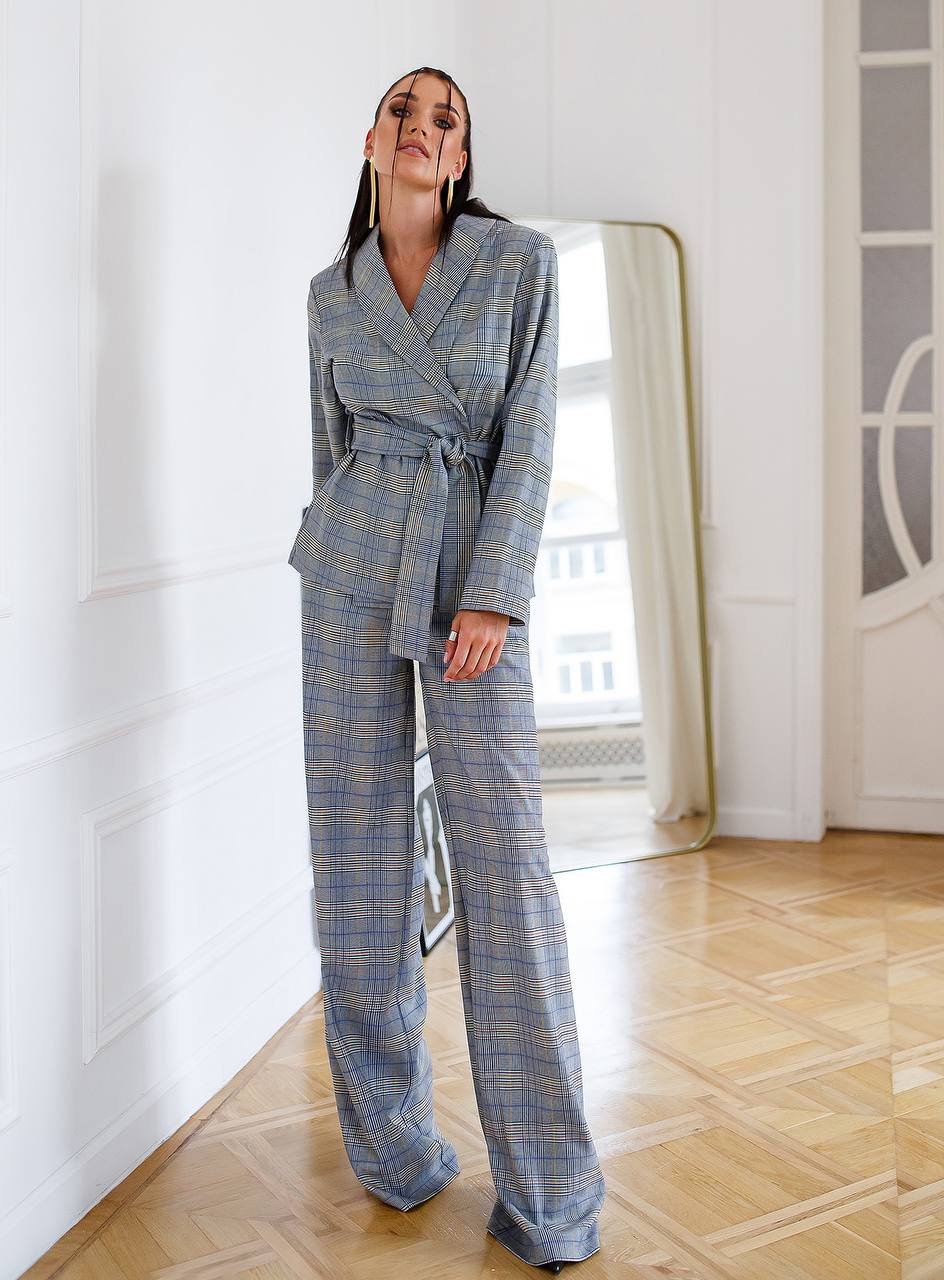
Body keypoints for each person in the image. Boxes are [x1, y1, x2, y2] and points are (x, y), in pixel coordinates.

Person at [287, 66, 605, 1273]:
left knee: (507, 874)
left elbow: (531, 435)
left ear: (462, 156)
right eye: (406, 112)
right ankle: (395, 1149)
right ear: (372, 137)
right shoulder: (330, 297)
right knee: (356, 866)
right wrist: (338, 573)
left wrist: (494, 595)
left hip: (471, 567)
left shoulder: (517, 265)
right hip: (350, 568)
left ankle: (550, 1193)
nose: (424, 129)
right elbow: (328, 454)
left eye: (447, 118)